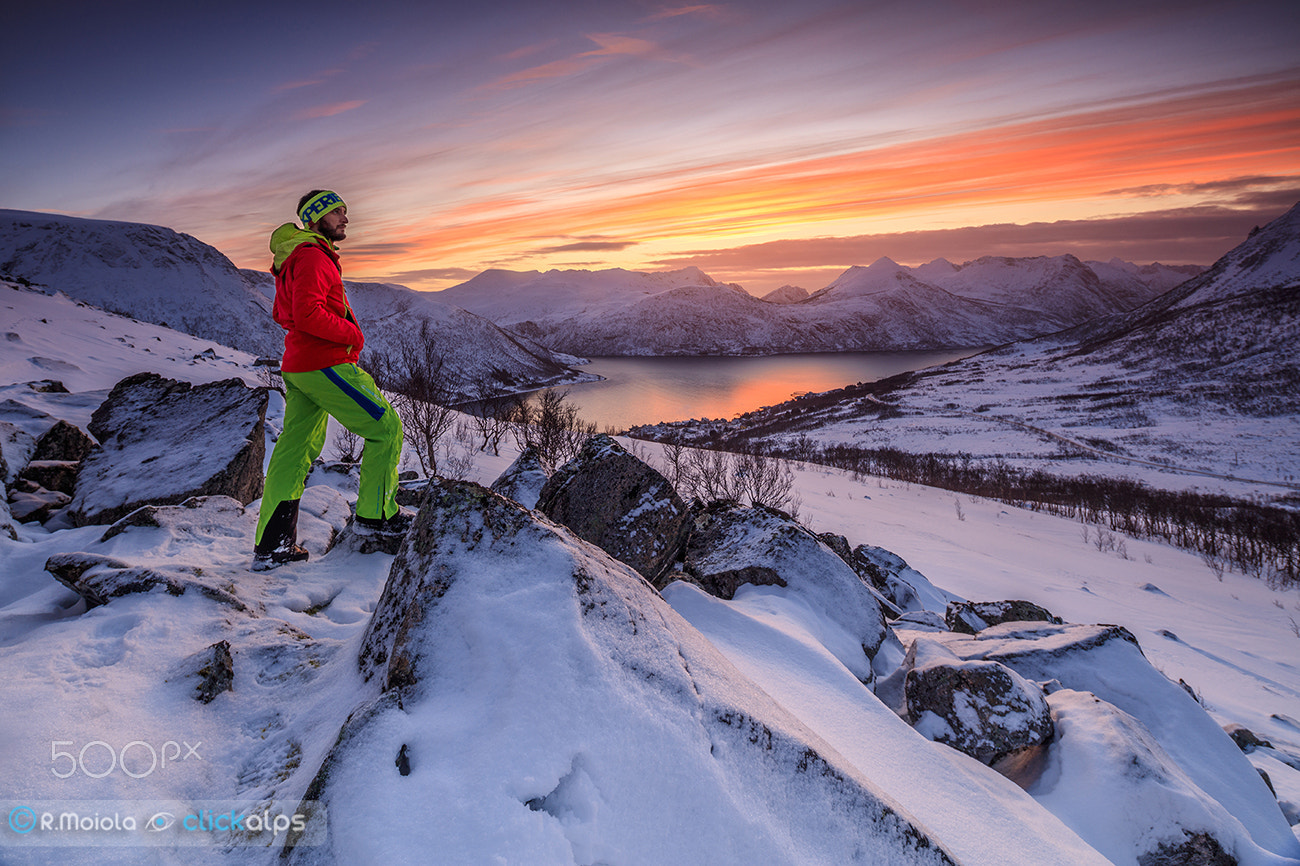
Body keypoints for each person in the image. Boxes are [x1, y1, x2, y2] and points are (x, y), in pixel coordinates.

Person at [253, 189, 407, 570]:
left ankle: (272, 544)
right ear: (317, 217)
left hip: (299, 364)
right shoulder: (312, 256)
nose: (345, 219)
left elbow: (283, 312)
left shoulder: (296, 255)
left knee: (294, 450)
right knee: (385, 428)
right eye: (338, 212)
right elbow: (307, 314)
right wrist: (352, 334)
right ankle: (376, 517)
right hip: (324, 364)